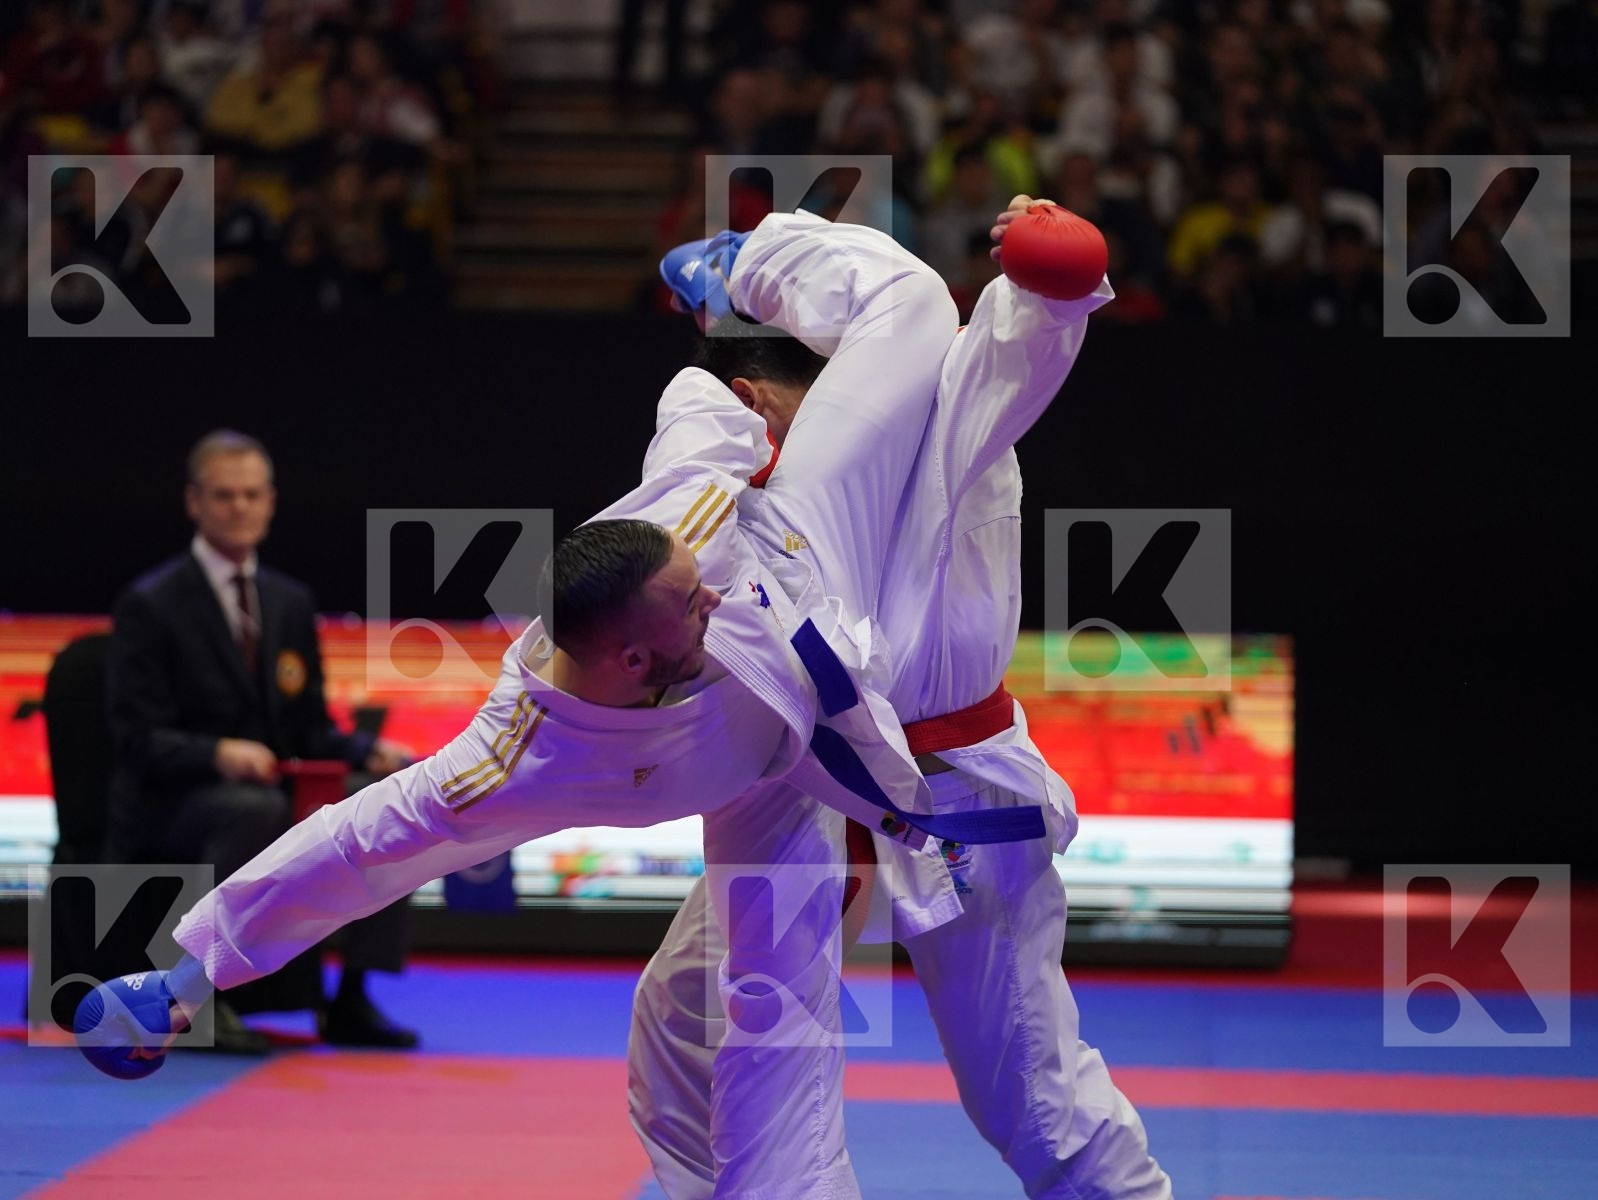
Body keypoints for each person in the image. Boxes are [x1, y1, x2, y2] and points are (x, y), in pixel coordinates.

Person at [81, 218, 1043, 1174]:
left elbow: (706, 401)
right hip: (764, 779)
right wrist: (187, 975)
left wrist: (721, 293)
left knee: (912, 301)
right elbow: (354, 846)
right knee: (765, 1039)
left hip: (801, 567)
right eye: (691, 614)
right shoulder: (517, 759)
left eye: (696, 585)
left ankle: (749, 256)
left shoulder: (696, 516)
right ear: (629, 662)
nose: (710, 599)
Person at [632, 199, 1172, 1199]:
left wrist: (1045, 278)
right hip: (804, 790)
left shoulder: (944, 395)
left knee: (1027, 1088)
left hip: (955, 787)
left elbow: (1020, 341)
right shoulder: (733, 470)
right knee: (683, 1025)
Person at [105, 430, 417, 1050]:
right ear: (194, 502)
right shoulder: (151, 603)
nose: (239, 508)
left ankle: (352, 996)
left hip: (271, 787)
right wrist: (218, 752)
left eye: (251, 495)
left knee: (390, 800)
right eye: (224, 496)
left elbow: (308, 727)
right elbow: (134, 738)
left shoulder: (288, 601)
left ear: (270, 501)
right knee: (260, 811)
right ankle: (197, 999)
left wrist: (367, 754)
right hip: (178, 801)